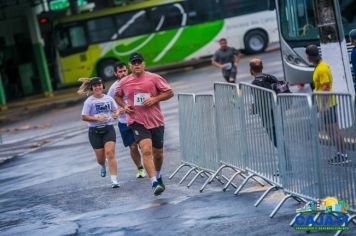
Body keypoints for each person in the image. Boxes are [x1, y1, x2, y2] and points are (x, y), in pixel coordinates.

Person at [115, 52, 174, 196]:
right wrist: (124, 105)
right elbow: (117, 95)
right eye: (134, 63)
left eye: (139, 62)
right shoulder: (124, 82)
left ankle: (158, 175)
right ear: (130, 65)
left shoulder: (154, 78)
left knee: (158, 154)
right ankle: (154, 182)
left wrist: (155, 99)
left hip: (155, 120)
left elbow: (169, 92)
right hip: (136, 121)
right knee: (146, 150)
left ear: (144, 64)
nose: (137, 65)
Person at [305, 44, 349, 164]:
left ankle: (343, 155)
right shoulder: (319, 66)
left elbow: (326, 88)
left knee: (334, 130)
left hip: (328, 105)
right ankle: (340, 154)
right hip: (325, 105)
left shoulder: (322, 68)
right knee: (330, 130)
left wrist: (324, 106)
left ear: (309, 57)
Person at [78, 77, 121, 188]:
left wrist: (116, 114)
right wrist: (97, 119)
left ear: (103, 86)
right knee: (100, 159)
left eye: (99, 85)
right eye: (95, 86)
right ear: (92, 88)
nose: (98, 87)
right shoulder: (89, 102)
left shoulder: (108, 99)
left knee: (110, 153)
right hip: (94, 132)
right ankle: (102, 165)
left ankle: (114, 180)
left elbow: (115, 110)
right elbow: (83, 117)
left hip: (108, 129)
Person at [108, 61, 145, 178]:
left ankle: (149, 163)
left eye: (124, 70)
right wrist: (120, 110)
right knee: (133, 146)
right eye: (120, 72)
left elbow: (144, 97)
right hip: (124, 122)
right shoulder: (113, 89)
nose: (123, 73)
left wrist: (137, 105)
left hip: (139, 119)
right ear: (115, 73)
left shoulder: (135, 81)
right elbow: (110, 107)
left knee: (143, 145)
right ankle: (140, 168)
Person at [249, 58, 278, 148]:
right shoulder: (271, 78)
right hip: (277, 110)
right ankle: (284, 157)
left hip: (267, 115)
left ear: (251, 70)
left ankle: (284, 158)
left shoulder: (255, 83)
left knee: (275, 139)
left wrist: (254, 108)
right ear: (262, 67)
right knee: (280, 136)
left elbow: (259, 100)